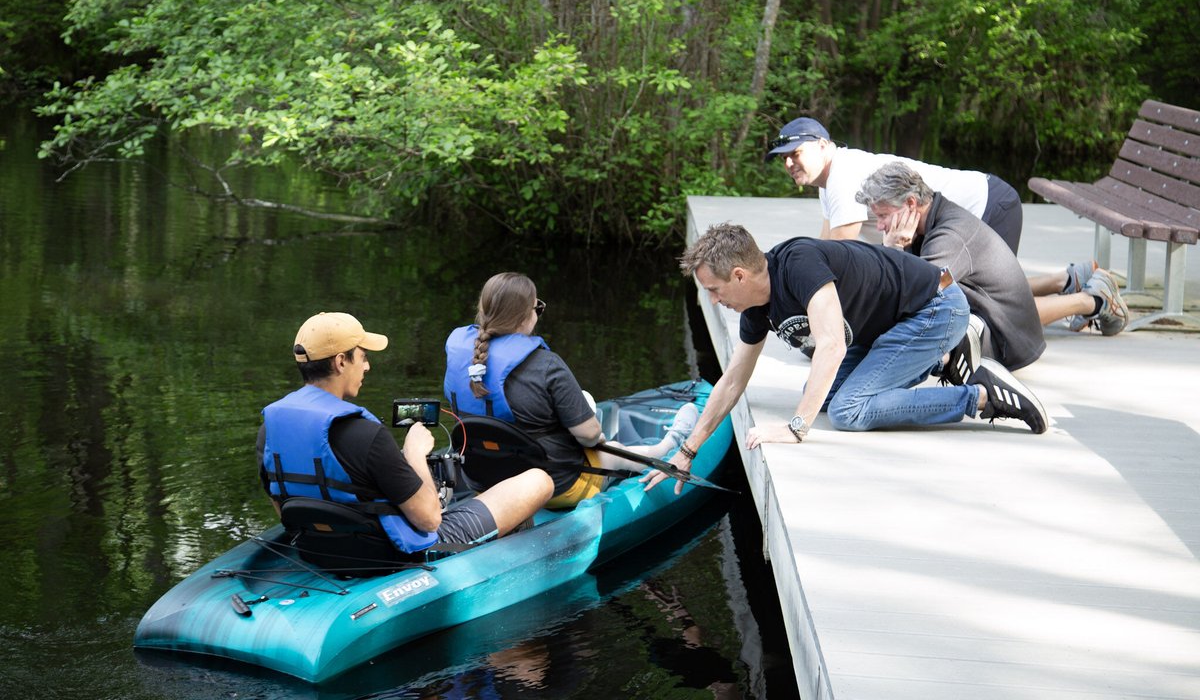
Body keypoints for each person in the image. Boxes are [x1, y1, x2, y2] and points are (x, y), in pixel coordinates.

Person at [641, 224, 1049, 494]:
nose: (712, 300)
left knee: (848, 411)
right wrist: (687, 452)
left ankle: (979, 396)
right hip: (891, 327)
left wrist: (796, 426)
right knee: (820, 390)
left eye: (713, 289)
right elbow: (732, 380)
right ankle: (938, 361)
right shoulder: (755, 310)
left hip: (935, 307)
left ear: (739, 276)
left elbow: (832, 345)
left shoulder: (798, 264)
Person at [258, 311, 553, 559]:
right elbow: (429, 519)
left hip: (319, 550)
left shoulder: (270, 428)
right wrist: (414, 454)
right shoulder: (364, 433)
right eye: (362, 357)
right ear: (340, 362)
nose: (367, 365)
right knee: (538, 480)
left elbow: (283, 507)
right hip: (392, 553)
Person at [444, 272, 699, 509]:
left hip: (486, 481)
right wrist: (594, 439)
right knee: (606, 448)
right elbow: (588, 437)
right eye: (537, 308)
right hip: (553, 487)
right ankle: (666, 447)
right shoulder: (546, 366)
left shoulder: (461, 354)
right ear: (525, 317)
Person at [855, 163, 1129, 354]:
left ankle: (1094, 299)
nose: (878, 226)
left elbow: (916, 300)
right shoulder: (924, 226)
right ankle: (1068, 280)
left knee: (939, 311)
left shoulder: (946, 239)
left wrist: (892, 250)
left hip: (1008, 337)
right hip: (994, 299)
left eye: (882, 216)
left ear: (911, 204)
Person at [765, 116, 1024, 253]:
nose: (788, 164)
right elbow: (823, 245)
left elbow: (837, 256)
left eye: (795, 154)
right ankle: (1064, 281)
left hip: (987, 204)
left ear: (823, 146)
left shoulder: (843, 176)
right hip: (956, 224)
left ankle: (1067, 299)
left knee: (987, 305)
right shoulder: (828, 181)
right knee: (984, 290)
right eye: (784, 158)